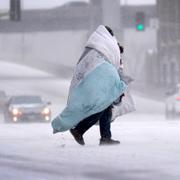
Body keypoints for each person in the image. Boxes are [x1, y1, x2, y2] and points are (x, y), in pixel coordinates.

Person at [51, 25, 127, 145]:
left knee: (105, 108)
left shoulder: (96, 46)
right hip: (98, 82)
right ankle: (79, 130)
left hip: (94, 81)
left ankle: (105, 137)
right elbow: (113, 63)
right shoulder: (105, 46)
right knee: (100, 107)